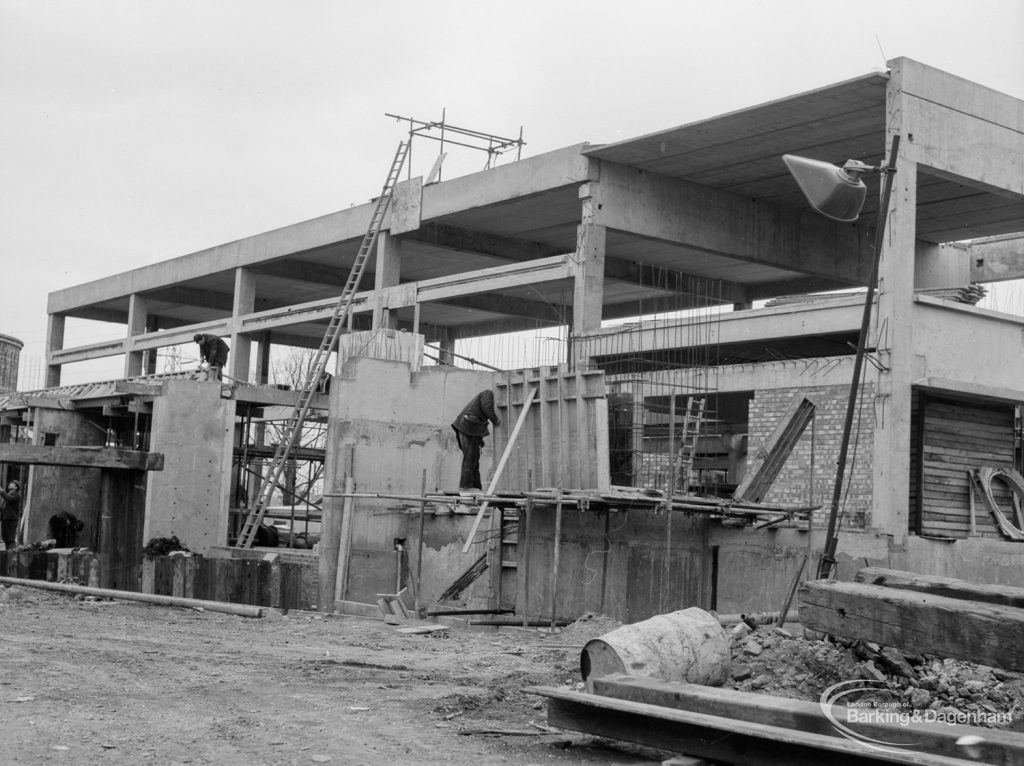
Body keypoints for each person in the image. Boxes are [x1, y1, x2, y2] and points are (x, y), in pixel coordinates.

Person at [451, 390, 501, 491]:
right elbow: (487, 407)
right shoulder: (488, 393)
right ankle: (466, 487)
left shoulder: (482, 400)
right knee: (470, 458)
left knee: (474, 458)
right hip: (467, 427)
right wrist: (496, 420)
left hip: (469, 428)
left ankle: (475, 487)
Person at [1, 479, 22, 550]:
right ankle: (8, 555)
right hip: (5, 519)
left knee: (10, 539)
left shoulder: (16, 495)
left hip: (11, 520)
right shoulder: (8, 495)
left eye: (12, 484)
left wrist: (2, 492)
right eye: (10, 484)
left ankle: (11, 556)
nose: (9, 484)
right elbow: (3, 508)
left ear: (16, 487)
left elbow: (9, 499)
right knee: (5, 538)